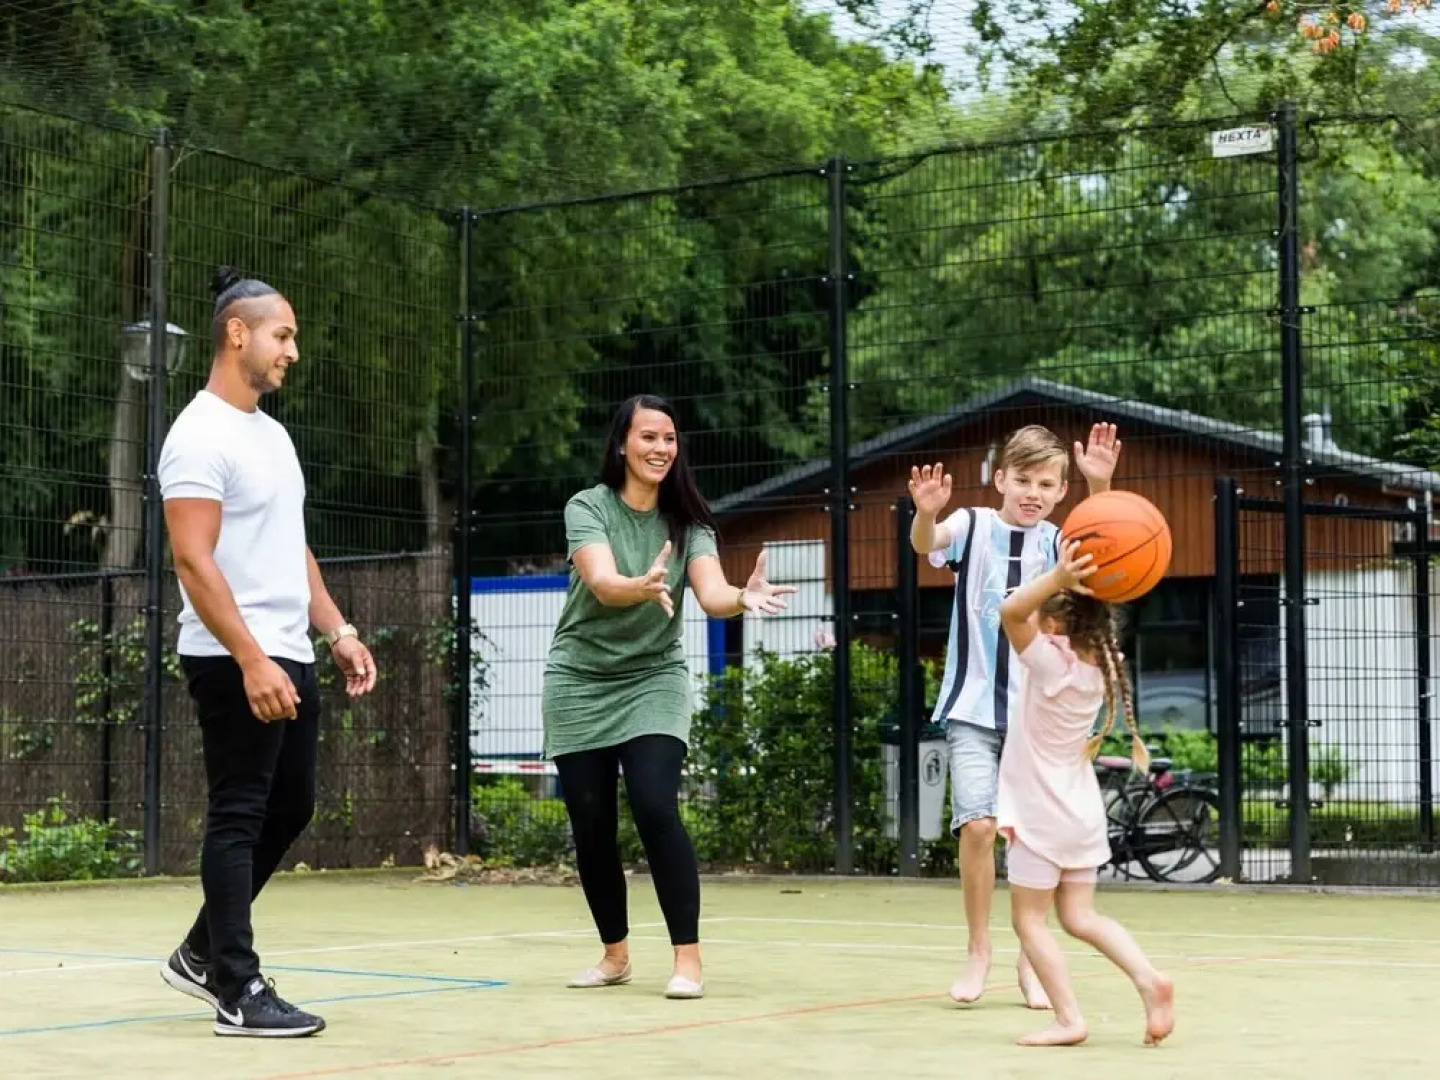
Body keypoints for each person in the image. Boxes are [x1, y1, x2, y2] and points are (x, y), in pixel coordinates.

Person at [155, 266, 377, 1038]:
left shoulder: (273, 436)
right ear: (237, 333)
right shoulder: (196, 435)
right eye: (283, 336)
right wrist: (250, 658)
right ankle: (237, 991)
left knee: (292, 804)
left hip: (289, 649)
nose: (292, 352)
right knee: (240, 812)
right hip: (230, 655)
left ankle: (197, 950)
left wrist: (337, 630)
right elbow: (193, 559)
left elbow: (292, 548)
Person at [542, 393, 795, 1000]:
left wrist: (742, 598)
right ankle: (615, 954)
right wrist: (639, 584)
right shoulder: (588, 507)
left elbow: (710, 594)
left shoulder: (690, 524)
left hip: (654, 677)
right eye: (649, 436)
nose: (661, 448)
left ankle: (688, 960)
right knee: (592, 823)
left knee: (656, 804)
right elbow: (602, 583)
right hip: (578, 678)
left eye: (670, 438)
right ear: (623, 444)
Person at [907, 422, 1121, 1007]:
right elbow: (926, 543)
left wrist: (1100, 487)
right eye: (1022, 478)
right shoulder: (973, 525)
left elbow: (1104, 550)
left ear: (1059, 492)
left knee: (1036, 839)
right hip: (973, 707)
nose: (1032, 490)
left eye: (1046, 482)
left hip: (1037, 720)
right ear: (999, 479)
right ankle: (980, 950)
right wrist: (925, 513)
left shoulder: (1058, 542)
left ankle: (1034, 959)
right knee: (978, 824)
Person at [995, 540, 1174, 1047]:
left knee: (1029, 920)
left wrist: (1055, 577)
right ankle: (1149, 979)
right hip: (1079, 810)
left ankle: (1069, 1018)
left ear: (1054, 626)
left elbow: (1011, 609)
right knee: (1079, 917)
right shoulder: (1100, 670)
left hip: (1040, 812)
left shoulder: (1051, 666)